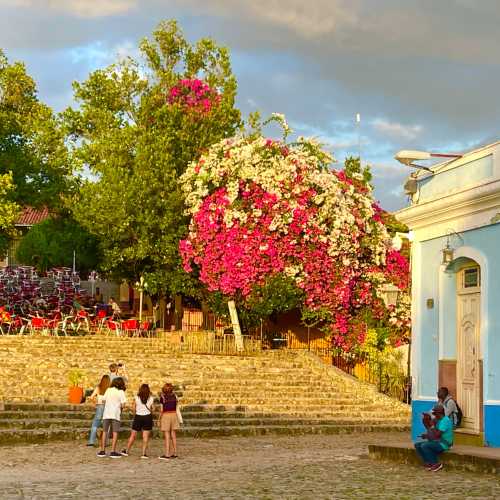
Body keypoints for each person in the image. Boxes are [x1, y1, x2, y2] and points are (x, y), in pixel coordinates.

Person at [414, 405, 453, 471]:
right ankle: (428, 463)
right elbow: (431, 432)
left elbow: (437, 435)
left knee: (425, 446)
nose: (433, 415)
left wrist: (431, 425)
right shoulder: (437, 420)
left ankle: (436, 464)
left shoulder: (445, 421)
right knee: (417, 445)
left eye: (434, 413)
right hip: (437, 441)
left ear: (439, 413)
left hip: (444, 444)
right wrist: (425, 422)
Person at [121, 384, 154, 458]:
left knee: (133, 435)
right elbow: (153, 409)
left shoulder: (136, 398)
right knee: (145, 436)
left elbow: (133, 409)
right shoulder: (151, 398)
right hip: (147, 417)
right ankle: (143, 453)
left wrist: (135, 414)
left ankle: (127, 451)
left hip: (138, 417)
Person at [97, 377, 127, 459]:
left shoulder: (108, 390)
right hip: (115, 414)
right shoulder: (121, 392)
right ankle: (113, 451)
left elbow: (103, 401)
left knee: (105, 431)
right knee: (115, 432)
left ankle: (102, 451)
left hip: (106, 414)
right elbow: (123, 404)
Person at [158, 383, 180, 460]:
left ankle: (167, 454)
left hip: (166, 415)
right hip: (174, 415)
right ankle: (175, 453)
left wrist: (159, 419)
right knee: (173, 434)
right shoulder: (175, 396)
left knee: (167, 435)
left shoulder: (162, 397)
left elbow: (161, 410)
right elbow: (176, 406)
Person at [87, 375, 110, 446]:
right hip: (108, 407)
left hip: (100, 407)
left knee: (95, 424)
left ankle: (91, 441)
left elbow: (91, 397)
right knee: (106, 426)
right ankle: (105, 442)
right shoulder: (110, 389)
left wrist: (95, 403)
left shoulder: (98, 388)